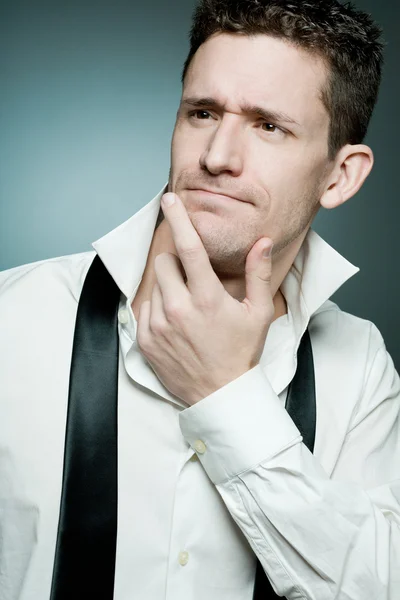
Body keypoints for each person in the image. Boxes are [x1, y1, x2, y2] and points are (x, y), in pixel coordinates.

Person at [0, 0, 399, 598]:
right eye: (203, 113)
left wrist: (225, 396)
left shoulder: (359, 364)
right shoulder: (14, 315)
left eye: (269, 126)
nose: (216, 157)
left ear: (339, 176)